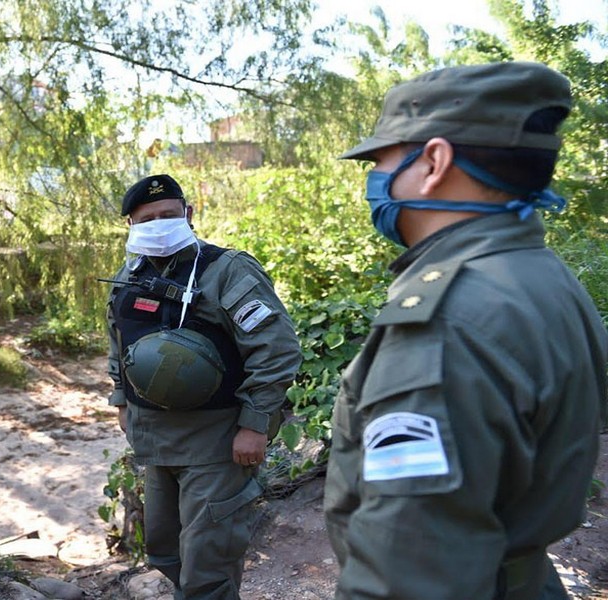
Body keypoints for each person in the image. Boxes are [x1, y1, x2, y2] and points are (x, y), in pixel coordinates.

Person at [323, 61, 608, 599]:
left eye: (381, 160)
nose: (374, 180)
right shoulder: (541, 276)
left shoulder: (447, 320)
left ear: (433, 161)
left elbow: (407, 576)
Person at [105, 174, 302, 599]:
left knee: (207, 564)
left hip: (216, 442)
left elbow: (277, 348)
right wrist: (121, 397)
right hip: (156, 441)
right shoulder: (130, 272)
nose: (159, 224)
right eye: (148, 218)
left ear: (189, 214)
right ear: (131, 226)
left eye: (168, 215)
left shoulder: (226, 270)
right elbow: (118, 337)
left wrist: (255, 423)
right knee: (164, 552)